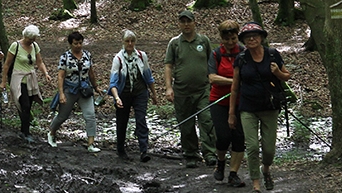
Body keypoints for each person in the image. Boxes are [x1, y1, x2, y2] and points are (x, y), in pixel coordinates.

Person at [229, 22, 291, 193]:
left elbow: (286, 76)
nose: (252, 39)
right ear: (244, 41)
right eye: (248, 37)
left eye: (255, 36)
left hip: (270, 108)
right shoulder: (241, 59)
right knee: (253, 147)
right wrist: (231, 114)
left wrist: (277, 72)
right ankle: (256, 187)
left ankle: (266, 169)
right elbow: (234, 88)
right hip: (248, 108)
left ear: (262, 37)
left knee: (269, 149)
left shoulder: (272, 55)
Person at [164, 9, 216, 168]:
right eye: (183, 22)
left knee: (207, 121)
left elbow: (211, 61)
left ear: (194, 22)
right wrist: (168, 87)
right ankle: (191, 154)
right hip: (181, 92)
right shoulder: (174, 43)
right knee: (186, 125)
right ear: (179, 24)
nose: (186, 24)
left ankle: (210, 154)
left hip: (203, 90)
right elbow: (168, 66)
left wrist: (213, 80)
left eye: (189, 21)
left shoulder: (203, 41)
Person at [108, 30, 159, 161]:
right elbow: (113, 83)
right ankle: (120, 149)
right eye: (127, 41)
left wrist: (153, 94)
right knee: (122, 121)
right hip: (123, 94)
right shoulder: (118, 59)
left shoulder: (142, 56)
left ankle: (144, 150)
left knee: (141, 119)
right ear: (123, 42)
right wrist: (117, 97)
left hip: (140, 93)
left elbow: (148, 77)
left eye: (132, 41)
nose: (130, 44)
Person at [208, 20, 246, 187]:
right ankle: (221, 161)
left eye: (233, 38)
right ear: (221, 39)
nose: (230, 42)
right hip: (219, 100)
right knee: (223, 136)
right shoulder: (216, 54)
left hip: (240, 102)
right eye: (227, 39)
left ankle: (233, 173)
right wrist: (234, 81)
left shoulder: (244, 52)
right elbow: (212, 78)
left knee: (239, 137)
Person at [47, 31, 100, 152]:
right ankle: (51, 133)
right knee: (63, 116)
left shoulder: (87, 55)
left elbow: (91, 72)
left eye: (80, 43)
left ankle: (91, 144)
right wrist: (61, 93)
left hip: (85, 90)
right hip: (70, 89)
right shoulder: (65, 57)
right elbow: (60, 76)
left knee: (90, 115)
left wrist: (96, 86)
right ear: (71, 44)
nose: (78, 45)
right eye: (76, 43)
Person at [0, 25, 52, 142]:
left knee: (28, 106)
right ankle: (25, 132)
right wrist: (3, 82)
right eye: (30, 39)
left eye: (34, 39)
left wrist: (45, 73)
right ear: (25, 36)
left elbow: (39, 62)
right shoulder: (15, 46)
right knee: (25, 105)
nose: (32, 41)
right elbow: (7, 65)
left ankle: (24, 130)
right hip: (19, 79)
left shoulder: (34, 46)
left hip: (31, 79)